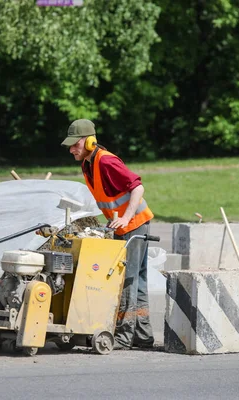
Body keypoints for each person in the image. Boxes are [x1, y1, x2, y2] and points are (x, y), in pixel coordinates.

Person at [61, 119, 154, 350]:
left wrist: (125, 217)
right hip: (126, 226)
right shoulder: (87, 164)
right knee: (138, 281)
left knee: (126, 281)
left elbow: (137, 187)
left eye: (75, 145)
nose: (72, 149)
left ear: (89, 141)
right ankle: (142, 336)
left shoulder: (106, 161)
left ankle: (123, 336)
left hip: (134, 225)